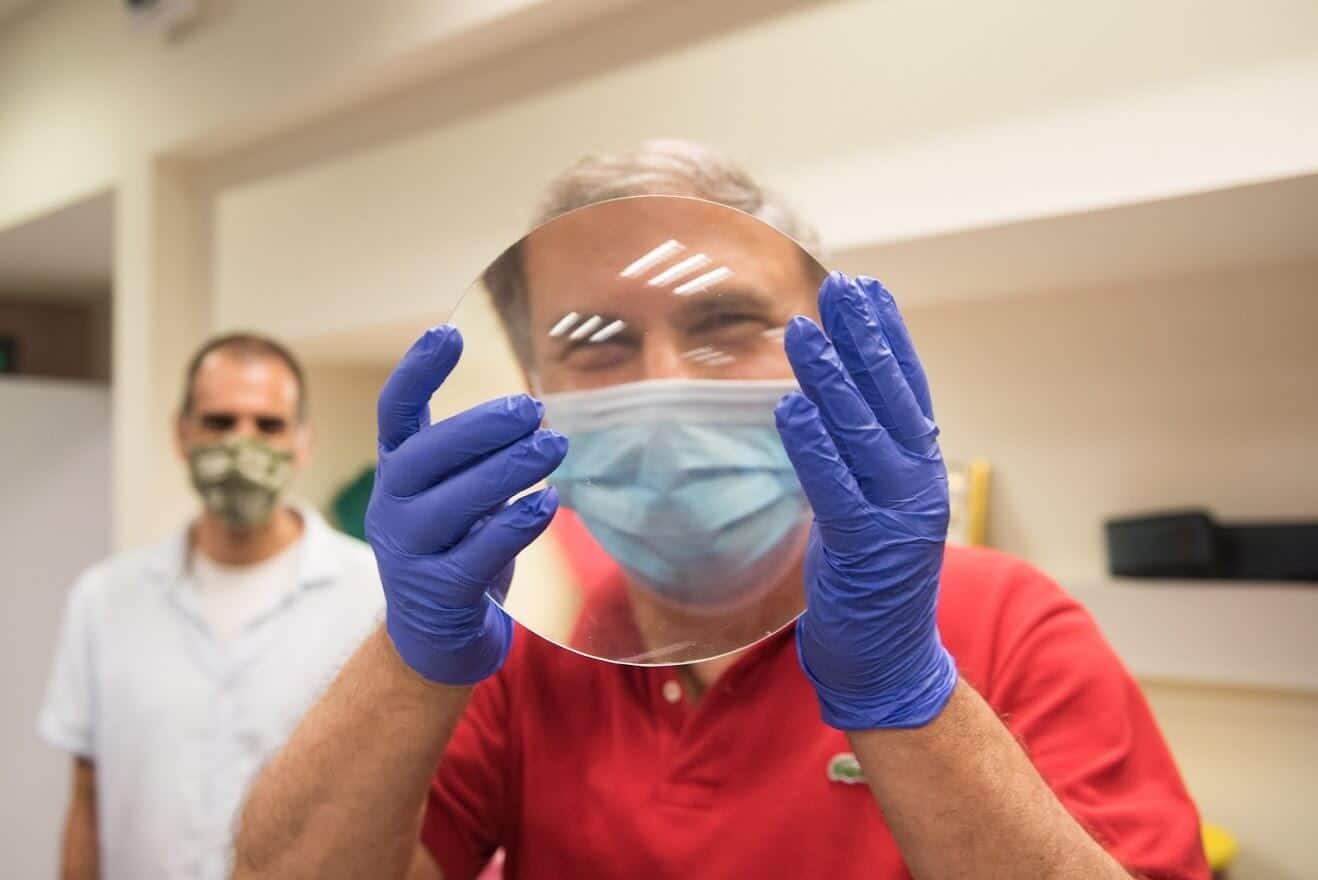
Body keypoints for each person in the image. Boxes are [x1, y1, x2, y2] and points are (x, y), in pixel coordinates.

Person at [233, 141, 1211, 880]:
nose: (663, 387)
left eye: (725, 323)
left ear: (827, 344)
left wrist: (912, 700)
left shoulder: (1010, 625)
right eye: (595, 340)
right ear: (535, 382)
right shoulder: (524, 643)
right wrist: (408, 659)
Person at [38, 333, 383, 879]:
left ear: (302, 441)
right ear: (182, 433)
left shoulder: (373, 596)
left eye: (268, 425)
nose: (243, 445)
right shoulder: (104, 600)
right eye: (220, 423)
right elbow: (86, 799)